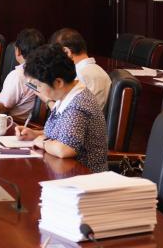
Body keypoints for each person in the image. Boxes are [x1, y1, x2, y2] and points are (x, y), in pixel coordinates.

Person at [14, 44, 109, 173]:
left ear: (58, 82)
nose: (38, 90)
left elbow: (65, 149)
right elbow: (63, 133)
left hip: (85, 177)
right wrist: (34, 134)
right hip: (65, 171)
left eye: (38, 85)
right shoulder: (66, 96)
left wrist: (42, 142)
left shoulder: (78, 105)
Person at [0, 28, 45, 117]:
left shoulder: (18, 76)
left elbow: (2, 108)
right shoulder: (47, 71)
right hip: (35, 125)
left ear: (18, 51)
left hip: (15, 123)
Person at [50, 28, 110, 109]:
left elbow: (66, 112)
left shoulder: (79, 75)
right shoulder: (100, 70)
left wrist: (47, 99)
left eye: (56, 56)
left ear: (67, 52)